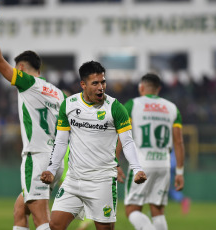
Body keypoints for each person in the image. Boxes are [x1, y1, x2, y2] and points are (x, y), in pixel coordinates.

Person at [0, 5, 66, 230]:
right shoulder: (58, 92)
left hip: (37, 157)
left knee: (42, 221)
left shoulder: (27, 82)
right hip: (55, 160)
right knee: (20, 209)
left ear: (21, 68)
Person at [41, 61, 147, 230]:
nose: (101, 87)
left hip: (102, 180)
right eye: (95, 83)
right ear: (83, 84)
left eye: (103, 82)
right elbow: (61, 141)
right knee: (55, 225)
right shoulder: (69, 105)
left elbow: (127, 142)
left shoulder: (116, 108)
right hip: (73, 180)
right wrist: (51, 170)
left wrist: (137, 168)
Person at [116, 73, 185, 230]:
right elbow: (179, 142)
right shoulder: (172, 108)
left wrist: (116, 162)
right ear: (158, 89)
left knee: (132, 210)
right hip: (164, 165)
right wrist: (180, 172)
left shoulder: (133, 105)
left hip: (141, 165)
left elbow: (121, 134)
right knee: (158, 212)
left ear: (141, 87)